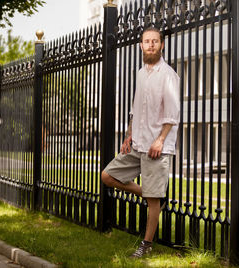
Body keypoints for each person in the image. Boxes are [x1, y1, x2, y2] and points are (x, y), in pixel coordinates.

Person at [101, 26, 180, 258]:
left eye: (155, 41)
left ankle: (145, 246)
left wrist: (160, 140)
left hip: (157, 147)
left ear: (162, 45)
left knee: (154, 202)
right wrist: (129, 134)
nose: (151, 45)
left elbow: (172, 114)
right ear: (141, 46)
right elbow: (136, 109)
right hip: (138, 144)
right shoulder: (140, 73)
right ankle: (150, 193)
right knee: (107, 176)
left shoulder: (169, 75)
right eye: (147, 41)